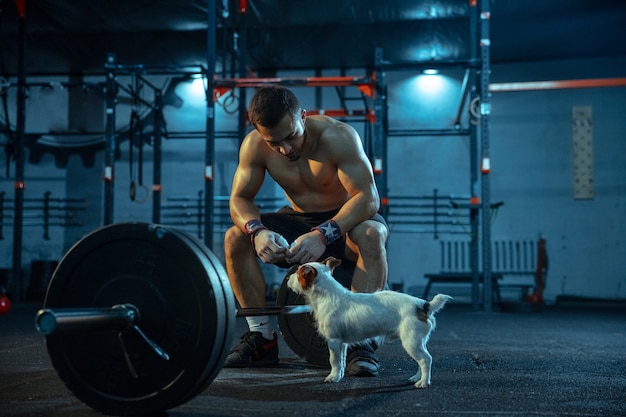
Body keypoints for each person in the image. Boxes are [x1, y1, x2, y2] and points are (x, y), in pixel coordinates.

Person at [223, 86, 388, 376]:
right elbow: (239, 199)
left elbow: (368, 198)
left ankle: (361, 342)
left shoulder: (338, 136)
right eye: (274, 142)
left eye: (290, 137)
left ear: (302, 116)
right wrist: (257, 230)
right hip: (298, 221)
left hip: (346, 221)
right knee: (235, 237)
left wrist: (324, 233)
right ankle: (261, 338)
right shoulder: (253, 145)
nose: (285, 149)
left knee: (372, 234)